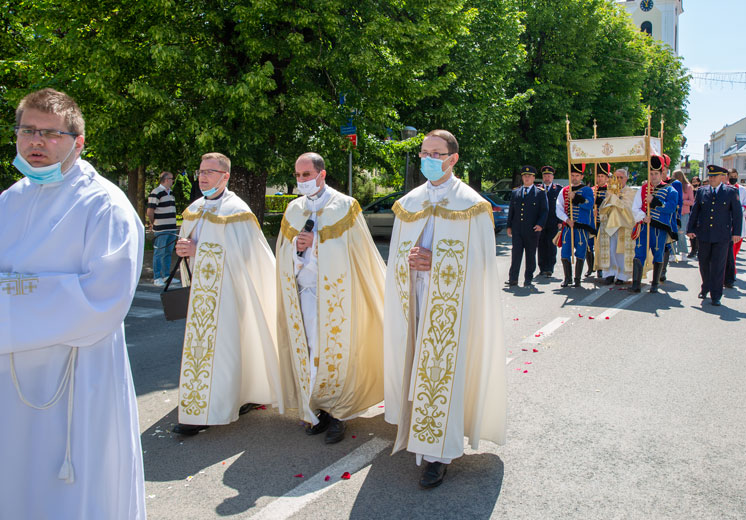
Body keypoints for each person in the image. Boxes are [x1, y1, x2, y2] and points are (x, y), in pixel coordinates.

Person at [0, 88, 145, 520]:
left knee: (77, 484)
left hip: (76, 378)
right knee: (20, 482)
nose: (35, 142)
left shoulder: (104, 204)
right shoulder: (11, 199)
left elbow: (105, 297)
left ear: (78, 142)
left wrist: (0, 299)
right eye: (27, 130)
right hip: (12, 384)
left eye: (49, 133)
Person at [383, 129, 506, 489]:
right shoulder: (410, 203)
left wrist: (438, 263)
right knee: (414, 365)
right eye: (424, 152)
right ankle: (412, 429)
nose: (428, 159)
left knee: (440, 369)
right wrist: (409, 265)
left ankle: (438, 454)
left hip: (451, 303)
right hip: (415, 298)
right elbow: (396, 257)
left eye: (436, 153)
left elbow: (482, 266)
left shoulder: (471, 204)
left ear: (453, 159)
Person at [172, 152, 290, 435]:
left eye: (210, 172)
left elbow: (246, 257)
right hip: (202, 295)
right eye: (200, 171)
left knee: (223, 353)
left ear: (225, 176)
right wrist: (183, 252)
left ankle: (211, 410)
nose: (202, 177)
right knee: (203, 354)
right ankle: (204, 405)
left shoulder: (236, 212)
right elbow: (189, 247)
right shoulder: (194, 209)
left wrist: (198, 252)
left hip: (228, 295)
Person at [276, 153, 385, 444]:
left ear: (321, 174)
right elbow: (282, 254)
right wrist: (298, 252)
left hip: (339, 297)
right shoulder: (293, 210)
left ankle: (339, 413)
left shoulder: (345, 207)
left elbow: (356, 254)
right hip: (305, 295)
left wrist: (318, 243)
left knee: (338, 353)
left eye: (306, 175)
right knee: (311, 352)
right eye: (298, 176)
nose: (301, 181)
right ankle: (317, 408)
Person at [686, 165, 742, 306]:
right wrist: (690, 228)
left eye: (714, 176)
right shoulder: (701, 191)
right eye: (710, 176)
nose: (711, 179)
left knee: (718, 265)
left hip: (722, 236)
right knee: (703, 263)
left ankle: (716, 294)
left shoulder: (730, 192)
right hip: (704, 234)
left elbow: (737, 214)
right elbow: (695, 212)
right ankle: (705, 287)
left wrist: (737, 233)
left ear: (721, 177)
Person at [630, 155, 679, 294]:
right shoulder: (643, 189)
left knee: (658, 254)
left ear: (662, 173)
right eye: (651, 174)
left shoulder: (670, 190)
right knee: (639, 253)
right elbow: (635, 207)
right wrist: (643, 217)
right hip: (644, 226)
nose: (653, 176)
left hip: (659, 229)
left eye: (656, 173)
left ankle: (655, 283)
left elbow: (670, 208)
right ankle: (636, 284)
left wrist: (655, 201)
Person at [505, 165, 548, 287]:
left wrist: (540, 224)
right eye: (524, 176)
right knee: (516, 254)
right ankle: (513, 278)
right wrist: (509, 226)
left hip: (532, 229)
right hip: (517, 229)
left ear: (534, 178)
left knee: (530, 255)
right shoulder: (516, 192)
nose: (527, 178)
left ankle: (528, 278)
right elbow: (511, 210)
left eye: (529, 176)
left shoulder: (539, 193)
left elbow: (544, 210)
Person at [555, 164, 596, 288]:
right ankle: (567, 278)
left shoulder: (587, 190)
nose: (574, 178)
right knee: (565, 253)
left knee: (580, 252)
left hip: (582, 227)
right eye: (572, 175)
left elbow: (589, 205)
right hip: (568, 226)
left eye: (577, 175)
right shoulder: (565, 190)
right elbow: (558, 207)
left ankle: (577, 279)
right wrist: (566, 220)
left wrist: (576, 197)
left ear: (581, 176)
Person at [595, 166, 637, 285]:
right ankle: (610, 273)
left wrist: (617, 201)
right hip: (609, 225)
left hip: (624, 225)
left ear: (626, 178)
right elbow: (603, 207)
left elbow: (630, 209)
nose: (618, 180)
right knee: (610, 249)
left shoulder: (631, 192)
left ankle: (622, 275)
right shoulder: (609, 191)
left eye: (621, 177)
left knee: (621, 251)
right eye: (616, 177)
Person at [146, 171, 178, 286]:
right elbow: (150, 211)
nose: (172, 180)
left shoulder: (170, 193)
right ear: (166, 180)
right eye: (171, 178)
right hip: (161, 228)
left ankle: (166, 276)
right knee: (159, 253)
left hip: (171, 227)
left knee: (168, 253)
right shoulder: (156, 192)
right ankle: (157, 277)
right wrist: (152, 223)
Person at [724, 169, 746, 288]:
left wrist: (738, 209)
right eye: (731, 176)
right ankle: (728, 273)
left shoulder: (741, 189)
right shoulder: (724, 188)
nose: (733, 178)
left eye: (735, 176)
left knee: (734, 251)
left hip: (738, 223)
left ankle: (731, 271)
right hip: (725, 223)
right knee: (726, 252)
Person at [537, 166, 562, 277]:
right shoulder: (537, 189)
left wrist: (560, 221)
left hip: (553, 222)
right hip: (540, 223)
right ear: (542, 177)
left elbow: (561, 206)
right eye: (545, 176)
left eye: (549, 176)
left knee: (551, 245)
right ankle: (542, 268)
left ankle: (549, 268)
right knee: (541, 245)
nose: (547, 178)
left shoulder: (558, 189)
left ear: (552, 177)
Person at [588, 165, 611, 277]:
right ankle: (591, 266)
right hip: (592, 222)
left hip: (604, 222)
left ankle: (600, 268)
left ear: (607, 178)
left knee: (602, 246)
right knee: (589, 245)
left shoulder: (610, 190)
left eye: (602, 176)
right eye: (598, 176)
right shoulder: (591, 190)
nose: (600, 178)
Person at [673, 170, 694, 262]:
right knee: (673, 233)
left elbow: (692, 201)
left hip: (684, 213)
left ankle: (684, 252)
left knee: (681, 233)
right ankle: (672, 253)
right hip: (674, 213)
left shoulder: (688, 187)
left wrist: (681, 202)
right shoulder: (672, 186)